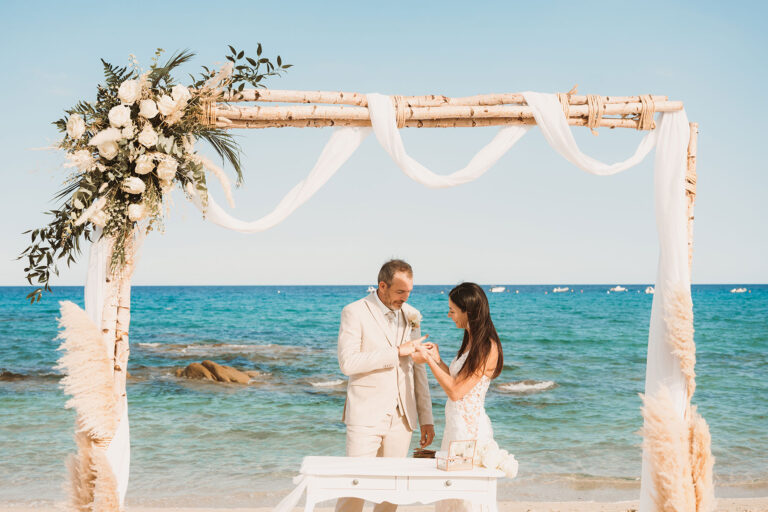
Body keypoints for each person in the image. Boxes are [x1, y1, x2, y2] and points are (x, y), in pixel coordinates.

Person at [336, 259, 435, 512]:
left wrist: (426, 418)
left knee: (391, 493)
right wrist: (396, 352)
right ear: (382, 286)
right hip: (365, 416)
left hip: (402, 419)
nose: (405, 297)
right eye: (400, 291)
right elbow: (347, 363)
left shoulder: (412, 315)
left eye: (409, 292)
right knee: (353, 489)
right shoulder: (354, 311)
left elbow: (418, 368)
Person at [415, 282, 504, 512]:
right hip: (455, 429)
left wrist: (429, 362)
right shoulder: (470, 342)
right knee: (449, 495)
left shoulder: (487, 347)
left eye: (453, 311)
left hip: (469, 433)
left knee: (466, 499)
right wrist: (439, 360)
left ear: (469, 312)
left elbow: (455, 392)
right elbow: (456, 380)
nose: (449, 315)